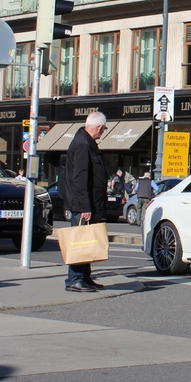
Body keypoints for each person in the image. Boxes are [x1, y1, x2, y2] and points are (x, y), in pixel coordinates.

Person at [62, 112, 109, 293]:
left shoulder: (86, 142)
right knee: (79, 242)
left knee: (86, 241)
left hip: (89, 203)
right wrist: (84, 207)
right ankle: (74, 278)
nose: (103, 132)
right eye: (103, 129)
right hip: (83, 204)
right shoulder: (83, 145)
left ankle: (85, 277)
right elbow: (80, 178)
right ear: (98, 127)